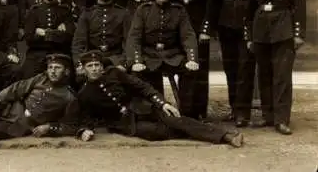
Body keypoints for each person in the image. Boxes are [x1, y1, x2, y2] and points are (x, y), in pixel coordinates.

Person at [35, 50, 243, 148]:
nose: (95, 69)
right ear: (84, 69)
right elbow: (82, 118)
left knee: (173, 118)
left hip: (143, 108)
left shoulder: (115, 74)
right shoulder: (83, 93)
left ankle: (225, 136)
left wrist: (162, 103)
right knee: (156, 133)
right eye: (90, 66)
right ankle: (198, 128)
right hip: (124, 123)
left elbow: (142, 87)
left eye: (98, 65)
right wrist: (82, 131)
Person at [245, 0, 306, 135]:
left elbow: (298, 4)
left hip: (283, 27)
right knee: (264, 74)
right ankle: (268, 116)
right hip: (261, 27)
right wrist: (249, 36)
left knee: (282, 76)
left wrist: (298, 33)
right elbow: (250, 6)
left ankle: (282, 119)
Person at [126, 0, 199, 108]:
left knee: (191, 71)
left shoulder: (179, 10)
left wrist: (192, 59)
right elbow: (134, 37)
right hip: (150, 56)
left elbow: (188, 36)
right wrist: (137, 61)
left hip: (172, 56)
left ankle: (187, 111)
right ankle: (150, 112)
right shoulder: (143, 10)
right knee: (137, 73)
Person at [214, 0, 262, 125]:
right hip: (227, 21)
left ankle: (243, 112)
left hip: (246, 19)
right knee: (230, 66)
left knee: (245, 67)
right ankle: (234, 108)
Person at [171, 0, 218, 120]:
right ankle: (185, 109)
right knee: (184, 68)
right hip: (181, 28)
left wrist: (206, 29)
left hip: (199, 28)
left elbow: (212, 2)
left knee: (200, 69)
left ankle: (200, 111)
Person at [73, 0, 130, 72]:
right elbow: (79, 43)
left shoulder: (123, 14)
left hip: (116, 60)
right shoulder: (87, 14)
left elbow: (128, 42)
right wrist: (79, 64)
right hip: (92, 60)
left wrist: (124, 64)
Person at [22, 0, 75, 80]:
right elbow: (29, 38)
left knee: (70, 77)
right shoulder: (33, 11)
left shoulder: (65, 11)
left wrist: (44, 33)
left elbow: (69, 36)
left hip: (60, 53)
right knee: (27, 77)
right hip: (37, 54)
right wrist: (56, 33)